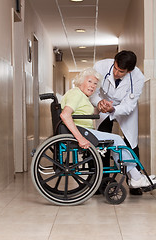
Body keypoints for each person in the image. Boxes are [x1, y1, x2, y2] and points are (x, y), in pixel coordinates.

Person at [60, 67, 156, 189]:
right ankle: (136, 178)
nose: (93, 86)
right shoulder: (76, 94)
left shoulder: (81, 96)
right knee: (117, 140)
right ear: (80, 81)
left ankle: (134, 176)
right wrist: (80, 139)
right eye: (89, 81)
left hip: (84, 131)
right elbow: (65, 115)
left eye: (95, 84)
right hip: (82, 133)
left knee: (116, 142)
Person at [90, 50, 145, 195]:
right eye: (115, 68)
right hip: (103, 103)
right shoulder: (101, 66)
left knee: (131, 143)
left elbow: (129, 106)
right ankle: (102, 181)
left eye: (121, 71)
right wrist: (99, 103)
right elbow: (93, 92)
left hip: (125, 108)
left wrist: (114, 108)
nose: (115, 73)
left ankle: (134, 183)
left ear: (129, 70)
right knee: (102, 142)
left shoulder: (138, 77)